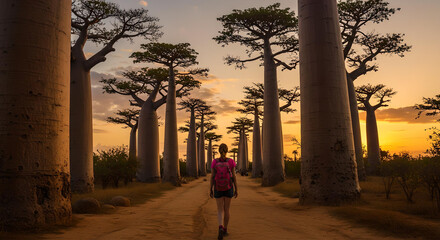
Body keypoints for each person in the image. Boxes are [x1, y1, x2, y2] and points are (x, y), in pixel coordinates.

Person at [210, 143, 238, 240]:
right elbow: (234, 176)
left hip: (218, 188)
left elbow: (212, 176)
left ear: (219, 150)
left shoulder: (214, 162)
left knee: (219, 210)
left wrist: (210, 189)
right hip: (228, 187)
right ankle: (225, 230)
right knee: (227, 210)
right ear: (227, 150)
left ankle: (220, 227)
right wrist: (236, 189)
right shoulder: (231, 161)